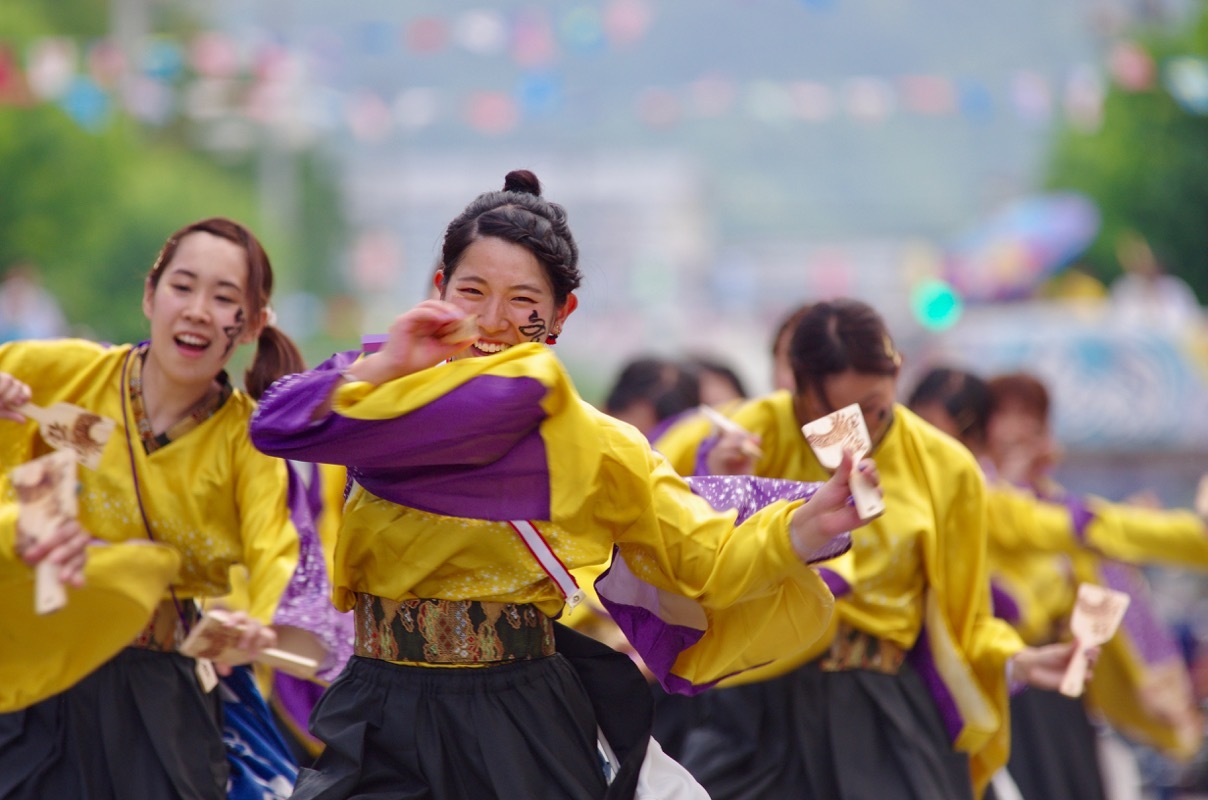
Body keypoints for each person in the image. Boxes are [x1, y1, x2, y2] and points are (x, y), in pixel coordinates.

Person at [249, 170, 878, 800]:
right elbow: (273, 424)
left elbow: (703, 554)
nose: (493, 321)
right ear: (439, 290)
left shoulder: (598, 443)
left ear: (559, 314)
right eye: (472, 290)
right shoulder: (386, 402)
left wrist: (807, 524)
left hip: (515, 718)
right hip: (379, 703)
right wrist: (386, 361)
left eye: (523, 300)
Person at [656, 298, 1087, 800]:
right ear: (798, 385)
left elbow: (964, 622)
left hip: (883, 710)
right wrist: (718, 484)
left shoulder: (946, 467)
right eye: (835, 412)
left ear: (898, 372)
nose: (858, 429)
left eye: (876, 408)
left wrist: (1020, 660)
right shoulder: (748, 433)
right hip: (759, 708)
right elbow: (671, 546)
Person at [0, 217, 336, 799]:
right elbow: (18, 479)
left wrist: (253, 624)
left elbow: (276, 548)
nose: (199, 310)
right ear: (150, 295)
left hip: (160, 697)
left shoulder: (247, 442)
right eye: (183, 287)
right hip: (37, 672)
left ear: (253, 325)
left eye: (225, 297)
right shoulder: (63, 375)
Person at [908, 366, 1207, 800]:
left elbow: (1093, 536)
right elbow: (1087, 533)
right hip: (994, 682)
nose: (1022, 429)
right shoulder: (984, 499)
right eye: (1009, 418)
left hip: (1050, 682)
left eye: (1033, 419)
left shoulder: (1024, 498)